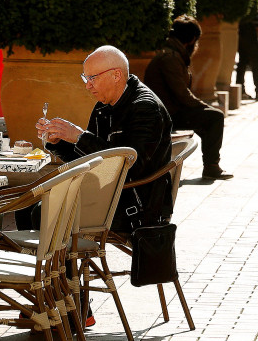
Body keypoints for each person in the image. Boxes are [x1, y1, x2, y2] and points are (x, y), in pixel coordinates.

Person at [37, 46, 173, 230]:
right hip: (110, 192)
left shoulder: (145, 107)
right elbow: (89, 159)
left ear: (116, 76)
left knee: (42, 212)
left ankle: (61, 257)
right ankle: (63, 257)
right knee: (35, 206)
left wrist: (79, 136)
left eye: (93, 78)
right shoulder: (105, 104)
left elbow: (131, 165)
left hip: (136, 204)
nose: (87, 85)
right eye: (85, 78)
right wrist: (58, 141)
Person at [144, 16, 232, 181]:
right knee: (215, 117)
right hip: (167, 115)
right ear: (191, 40)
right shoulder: (169, 58)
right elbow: (182, 94)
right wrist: (203, 106)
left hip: (171, 110)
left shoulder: (173, 54)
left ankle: (211, 165)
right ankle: (211, 166)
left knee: (209, 117)